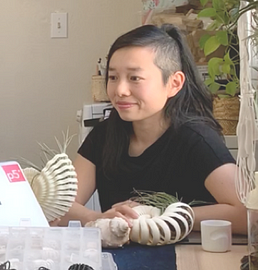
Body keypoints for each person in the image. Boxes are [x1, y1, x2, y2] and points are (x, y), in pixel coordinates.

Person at [59, 24, 244, 233]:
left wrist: (163, 216)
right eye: (113, 77)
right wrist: (99, 219)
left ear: (174, 83)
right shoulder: (104, 135)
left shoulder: (197, 140)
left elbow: (248, 213)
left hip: (185, 259)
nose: (120, 90)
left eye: (134, 78)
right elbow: (60, 208)